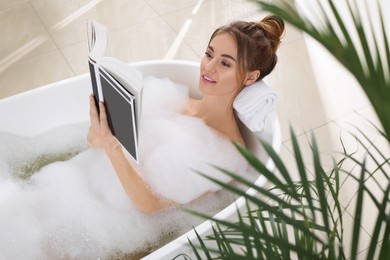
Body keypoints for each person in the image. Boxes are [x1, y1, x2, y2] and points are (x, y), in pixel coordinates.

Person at [88, 15, 285, 214]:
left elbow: (152, 205)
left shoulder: (229, 152)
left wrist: (112, 147)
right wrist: (99, 134)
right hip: (94, 188)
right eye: (209, 54)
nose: (208, 67)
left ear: (251, 77)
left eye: (225, 64)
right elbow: (95, 145)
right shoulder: (168, 98)